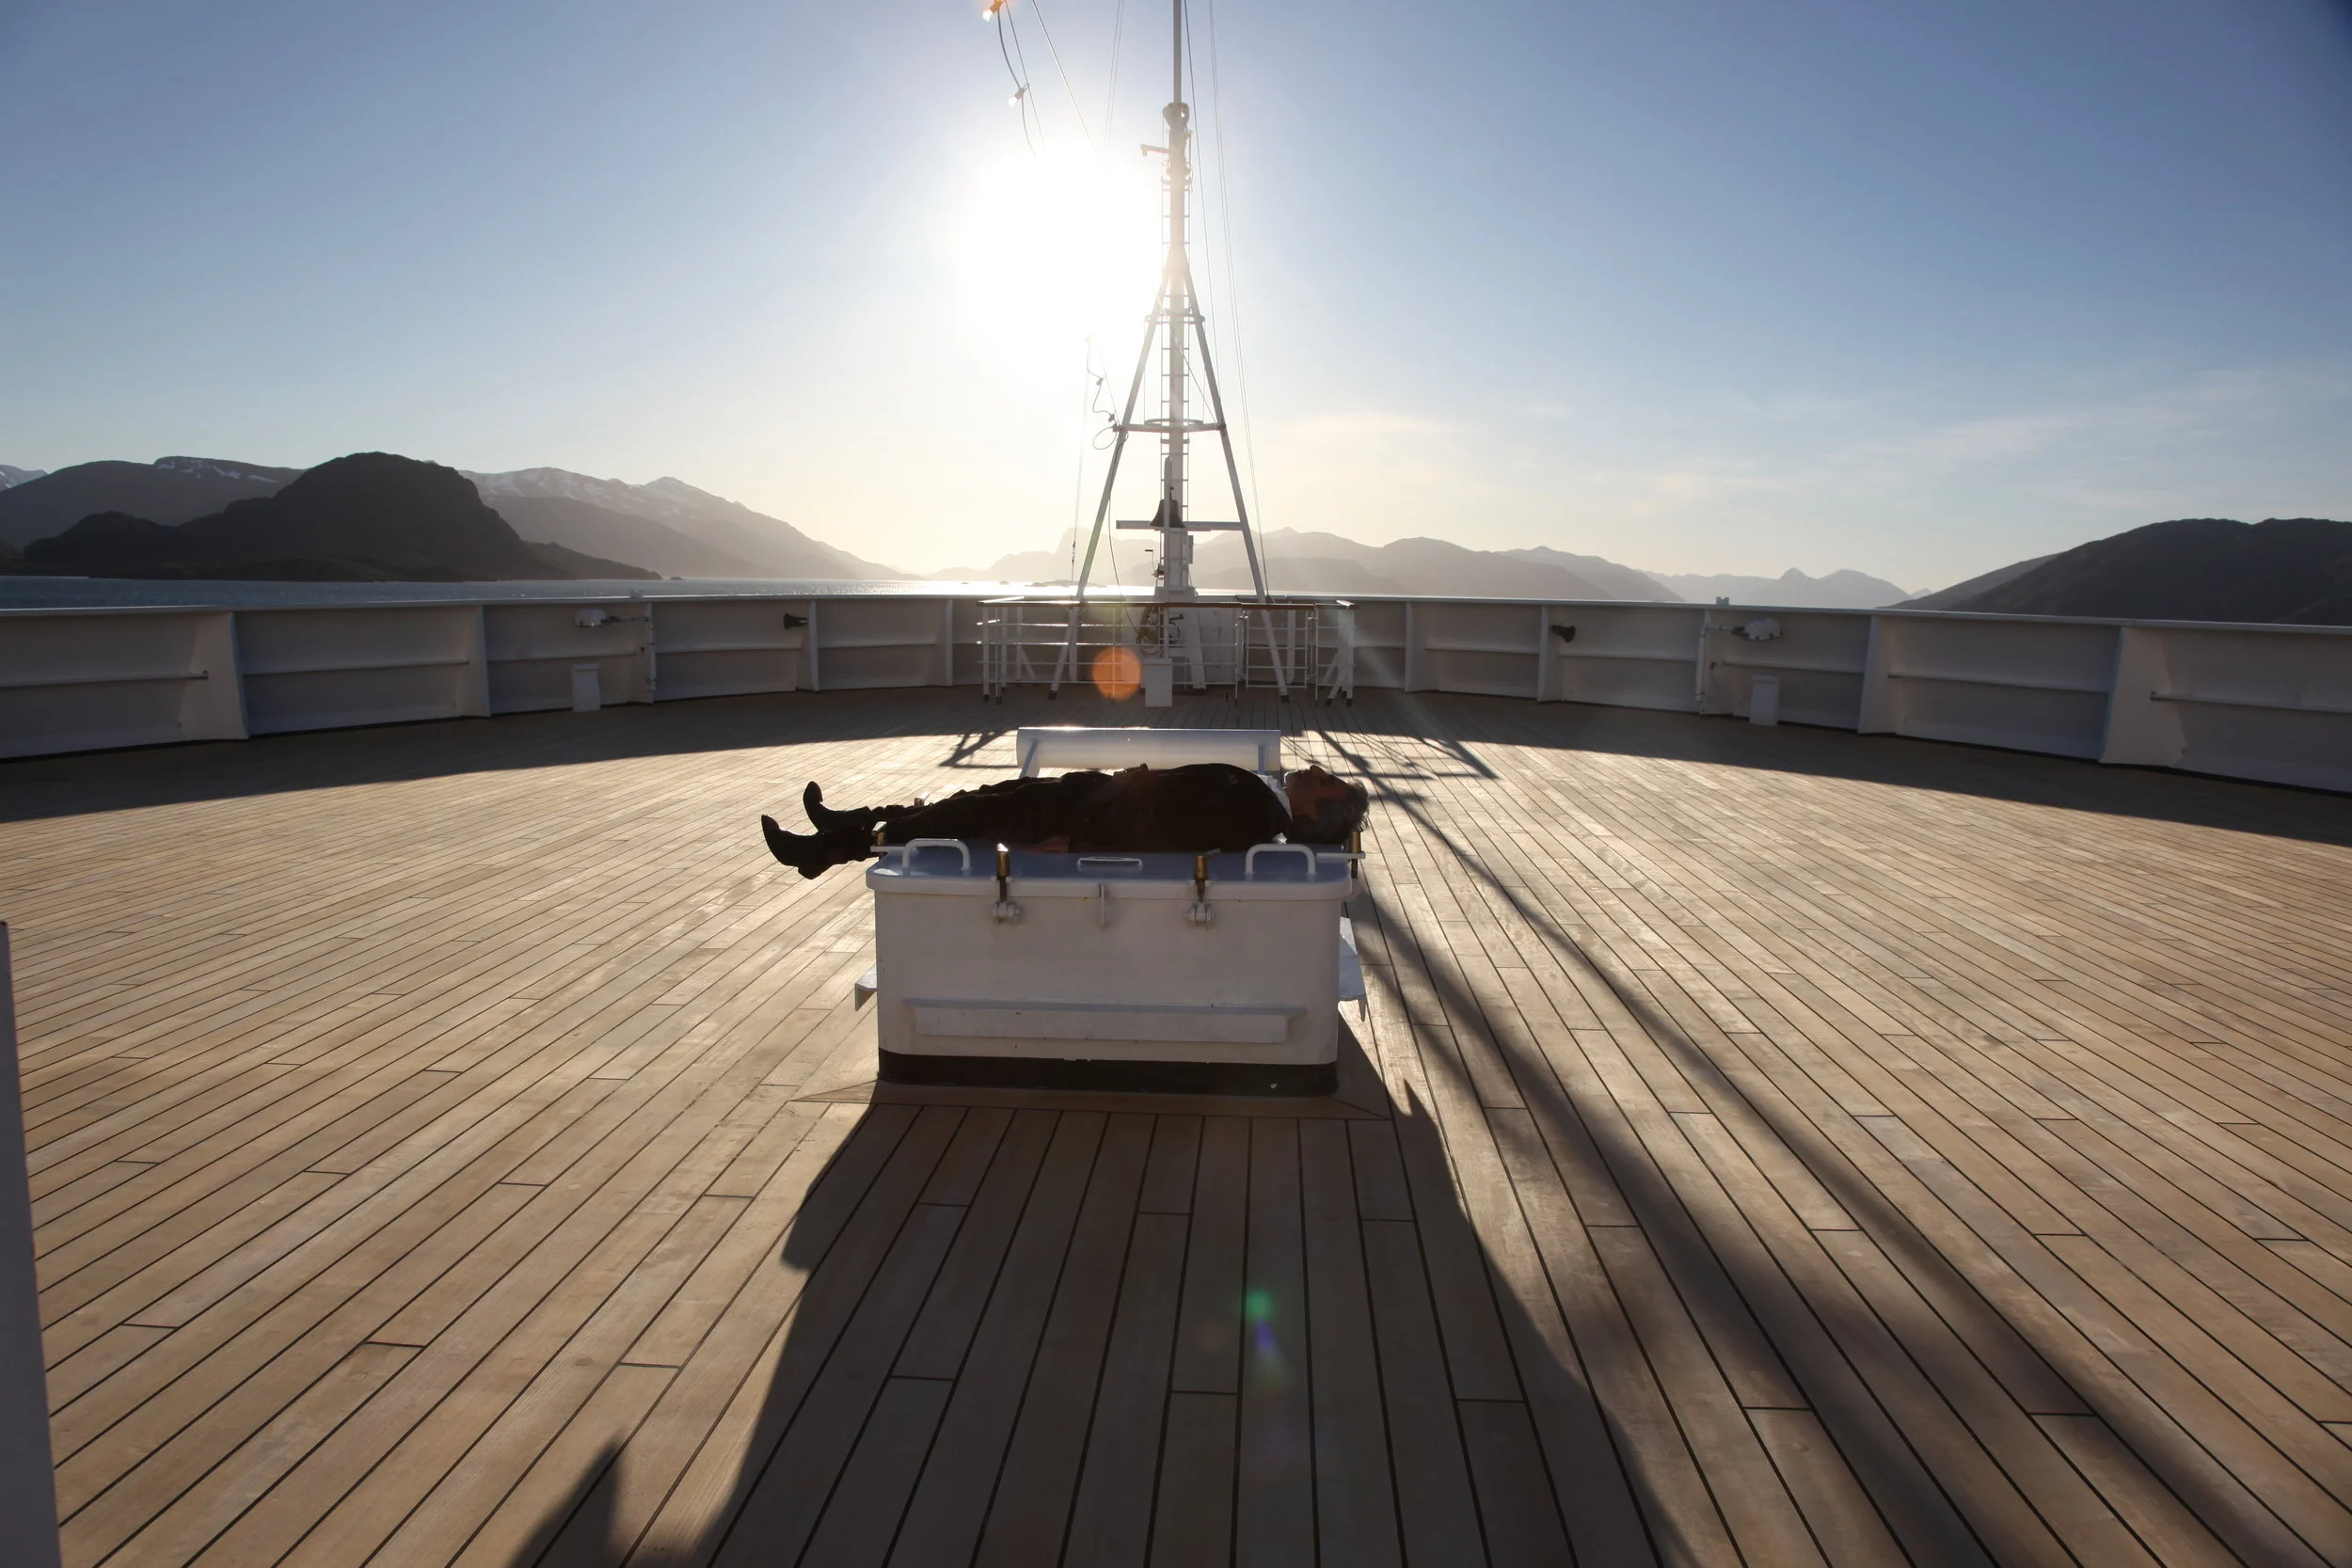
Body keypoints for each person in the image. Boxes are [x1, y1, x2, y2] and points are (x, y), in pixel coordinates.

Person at [759, 762, 1369, 879]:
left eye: (1325, 778)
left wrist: (1079, 836)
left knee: (966, 816)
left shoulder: (1252, 814)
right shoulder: (1259, 797)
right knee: (974, 798)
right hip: (1092, 793)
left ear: (1314, 807)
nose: (1315, 768)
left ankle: (825, 851)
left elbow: (1164, 834)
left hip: (1083, 811)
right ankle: (847, 820)